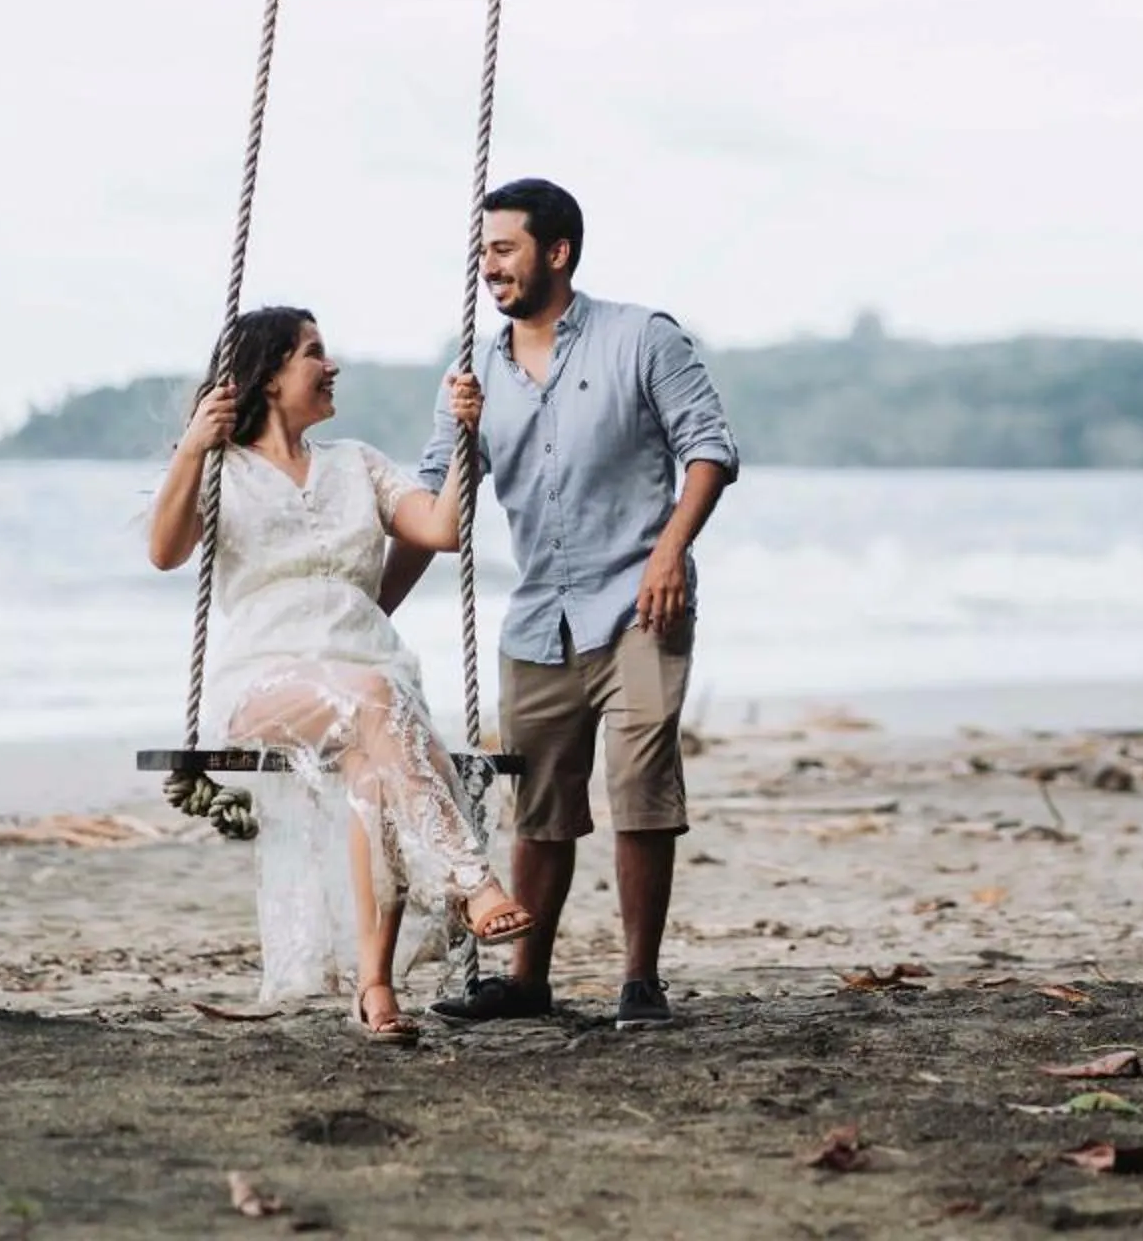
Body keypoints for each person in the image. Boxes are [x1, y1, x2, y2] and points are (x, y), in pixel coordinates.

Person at [147, 305, 533, 1040]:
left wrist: (464, 435)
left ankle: (376, 989)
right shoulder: (221, 471)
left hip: (371, 678)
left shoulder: (356, 463)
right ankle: (471, 881)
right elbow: (165, 551)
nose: (332, 366)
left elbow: (443, 529)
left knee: (372, 767)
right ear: (267, 376)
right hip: (267, 683)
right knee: (375, 705)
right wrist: (194, 446)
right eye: (313, 353)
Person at [421, 179, 738, 1031]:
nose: (487, 266)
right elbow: (433, 504)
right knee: (542, 806)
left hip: (640, 603)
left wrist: (671, 552)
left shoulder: (643, 338)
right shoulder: (474, 372)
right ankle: (528, 981)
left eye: (503, 249)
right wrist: (370, 601)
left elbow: (710, 450)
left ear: (556, 253)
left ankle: (640, 981)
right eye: (482, 251)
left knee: (640, 785)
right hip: (538, 621)